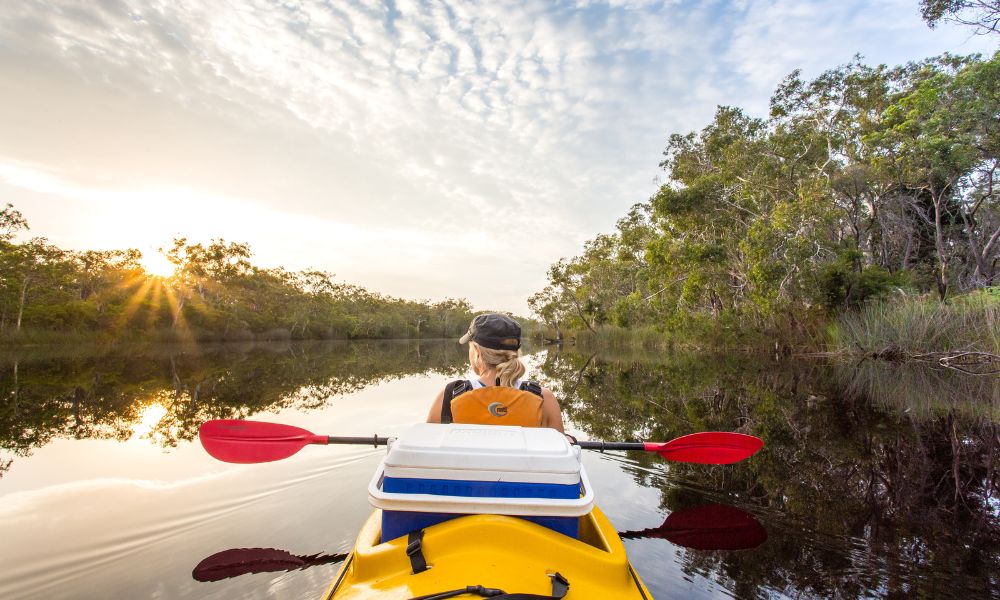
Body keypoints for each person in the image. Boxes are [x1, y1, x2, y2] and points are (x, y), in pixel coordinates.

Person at [426, 313, 566, 433]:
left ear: (477, 351)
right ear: (515, 351)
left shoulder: (450, 395)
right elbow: (559, 454)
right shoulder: (543, 397)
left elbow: (427, 448)